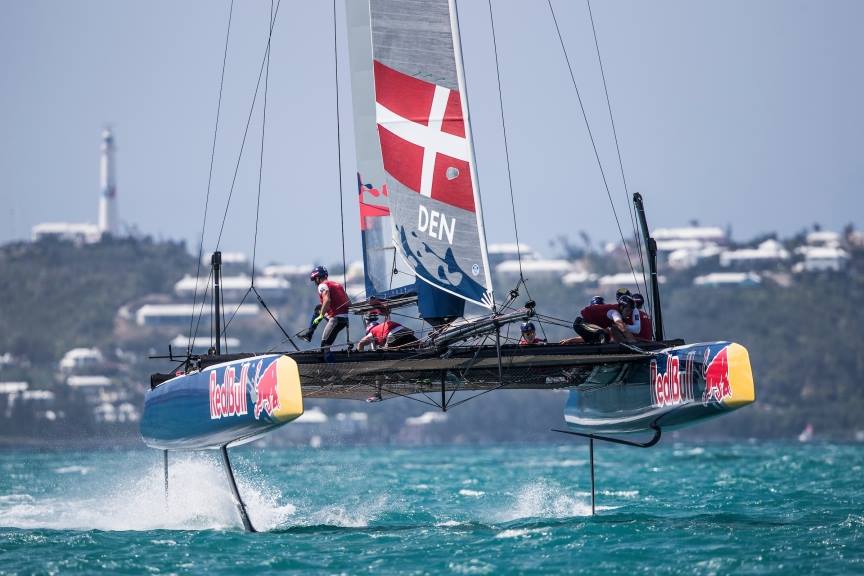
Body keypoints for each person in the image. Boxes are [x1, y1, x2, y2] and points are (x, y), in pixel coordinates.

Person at [309, 265, 350, 361]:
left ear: (318, 278)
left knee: (324, 347)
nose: (315, 282)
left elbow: (327, 300)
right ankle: (308, 334)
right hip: (344, 320)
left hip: (335, 320)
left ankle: (333, 371)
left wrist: (321, 316)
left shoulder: (322, 285)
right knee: (318, 308)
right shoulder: (338, 285)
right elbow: (348, 303)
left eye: (315, 279)